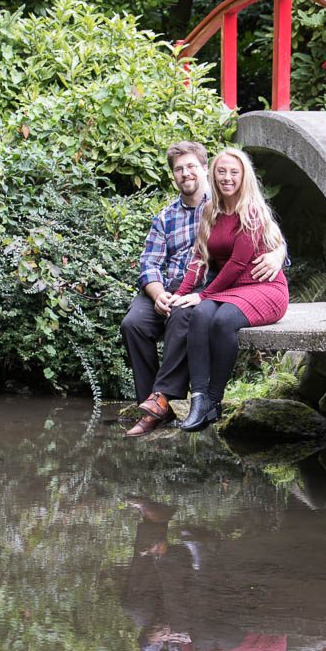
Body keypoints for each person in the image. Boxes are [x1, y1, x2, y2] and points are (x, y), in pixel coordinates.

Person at [121, 142, 285, 437]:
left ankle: (162, 399)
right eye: (179, 169)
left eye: (191, 167)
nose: (186, 173)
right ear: (173, 175)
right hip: (170, 287)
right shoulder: (166, 217)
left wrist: (279, 253)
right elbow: (150, 264)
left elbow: (265, 243)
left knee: (186, 316)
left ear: (203, 170)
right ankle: (155, 403)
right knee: (133, 323)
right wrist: (160, 295)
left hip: (209, 287)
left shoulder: (227, 199)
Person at [170, 148, 289, 432]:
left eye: (234, 172)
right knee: (200, 315)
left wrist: (202, 294)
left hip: (264, 287)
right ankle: (198, 398)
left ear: (244, 176)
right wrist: (178, 296)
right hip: (231, 288)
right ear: (213, 175)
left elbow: (237, 264)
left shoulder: (252, 211)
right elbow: (200, 259)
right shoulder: (211, 210)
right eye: (221, 171)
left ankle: (214, 399)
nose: (227, 178)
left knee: (222, 321)